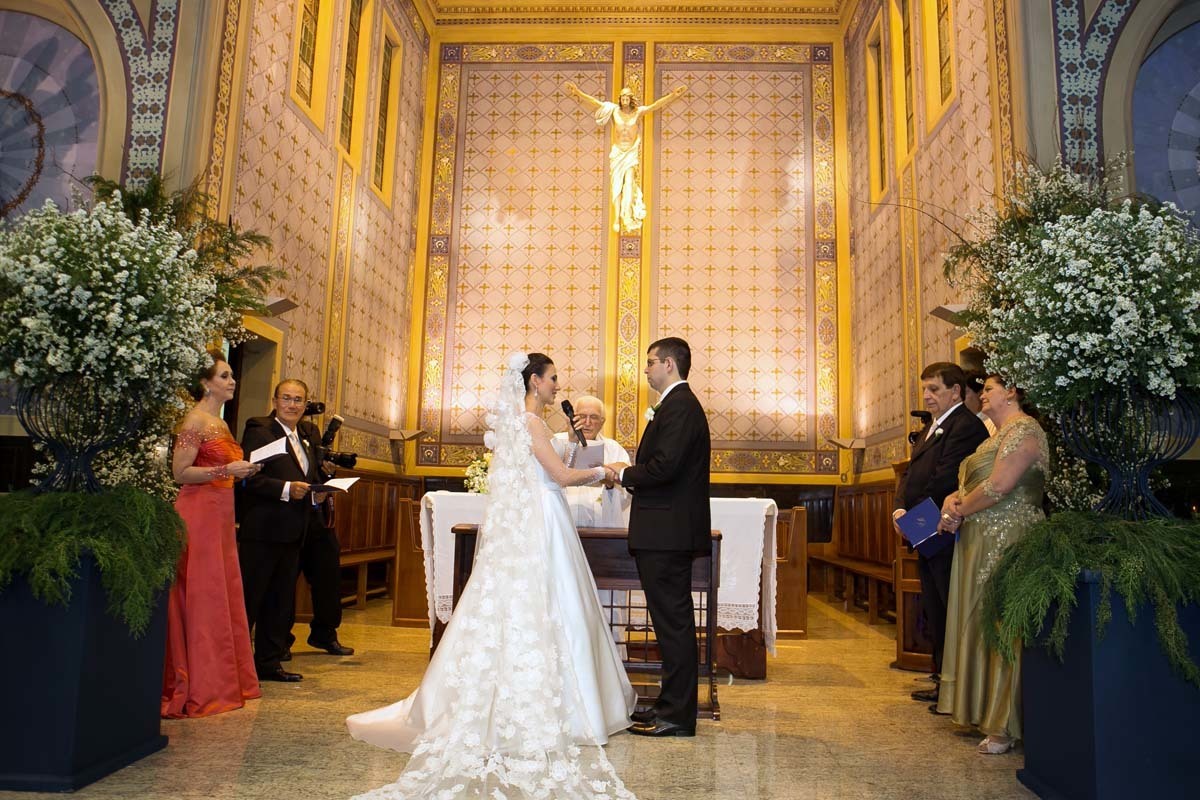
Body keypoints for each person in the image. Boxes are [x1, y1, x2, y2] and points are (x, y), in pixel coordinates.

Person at [346, 353, 637, 799]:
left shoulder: (523, 425)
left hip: (532, 519)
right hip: (542, 519)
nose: (557, 386)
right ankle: (563, 709)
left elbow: (549, 464)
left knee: (530, 604)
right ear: (534, 381)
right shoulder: (530, 424)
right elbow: (558, 476)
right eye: (553, 379)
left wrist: (579, 449)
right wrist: (603, 472)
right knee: (550, 604)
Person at [935, 375, 1048, 754]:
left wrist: (959, 511)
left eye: (988, 389)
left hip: (1007, 540)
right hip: (978, 539)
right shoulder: (991, 436)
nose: (981, 395)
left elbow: (1000, 485)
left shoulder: (1025, 430)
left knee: (1001, 623)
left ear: (1012, 392)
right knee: (977, 619)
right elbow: (972, 481)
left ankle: (1004, 722)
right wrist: (952, 502)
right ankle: (982, 709)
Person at [608, 337, 712, 737]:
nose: (646, 369)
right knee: (671, 623)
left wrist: (623, 473)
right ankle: (670, 705)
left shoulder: (681, 406)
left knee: (674, 624)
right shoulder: (673, 405)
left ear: (669, 364)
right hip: (663, 531)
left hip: (667, 533)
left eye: (650, 362)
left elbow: (664, 467)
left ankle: (678, 716)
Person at [161, 350, 262, 718]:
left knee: (222, 592)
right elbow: (180, 473)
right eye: (224, 376)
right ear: (205, 383)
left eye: (232, 374)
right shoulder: (194, 420)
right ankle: (200, 684)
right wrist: (226, 469)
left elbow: (219, 468)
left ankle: (224, 679)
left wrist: (240, 470)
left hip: (220, 513)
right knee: (202, 595)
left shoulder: (219, 423)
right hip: (198, 512)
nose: (232, 380)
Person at [892, 362, 990, 705]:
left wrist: (912, 520)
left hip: (945, 530)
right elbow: (910, 473)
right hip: (924, 527)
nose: (928, 396)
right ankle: (940, 675)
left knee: (948, 604)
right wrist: (899, 509)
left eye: (934, 389)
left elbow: (947, 480)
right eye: (925, 390)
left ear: (955, 391)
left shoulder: (965, 427)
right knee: (933, 605)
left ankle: (951, 684)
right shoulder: (932, 426)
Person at [236, 378, 328, 683]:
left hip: (294, 531)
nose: (292, 405)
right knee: (251, 598)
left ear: (305, 404)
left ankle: (269, 663)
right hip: (263, 530)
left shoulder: (306, 435)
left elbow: (309, 476)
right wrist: (287, 489)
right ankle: (234, 664)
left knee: (281, 601)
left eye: (298, 400)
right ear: (275, 401)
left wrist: (319, 491)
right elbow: (248, 479)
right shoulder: (260, 430)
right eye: (286, 398)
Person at [565, 81, 687, 233]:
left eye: (626, 98)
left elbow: (655, 105)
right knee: (616, 185)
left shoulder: (638, 112)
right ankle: (616, 218)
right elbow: (594, 102)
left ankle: (626, 215)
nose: (624, 100)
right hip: (617, 152)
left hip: (630, 153)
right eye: (622, 97)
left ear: (630, 99)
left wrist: (672, 96)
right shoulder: (613, 111)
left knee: (629, 183)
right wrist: (577, 92)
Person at [554, 394, 632, 527]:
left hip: (600, 526)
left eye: (594, 417)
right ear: (573, 417)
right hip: (562, 522)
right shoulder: (557, 443)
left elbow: (626, 494)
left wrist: (610, 485)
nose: (587, 423)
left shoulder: (614, 449)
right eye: (582, 416)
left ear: (602, 422)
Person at [963, 370, 998, 436]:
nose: (959, 399)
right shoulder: (960, 423)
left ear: (980, 393)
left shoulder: (994, 423)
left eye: (964, 393)